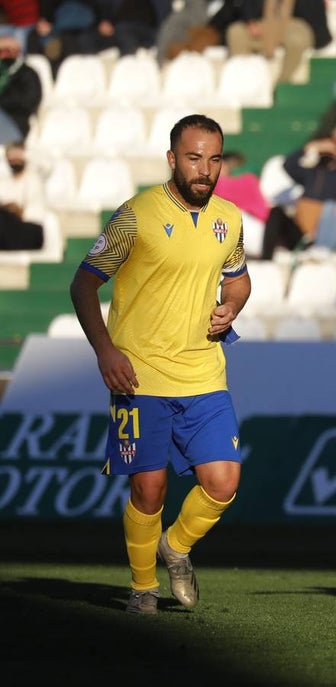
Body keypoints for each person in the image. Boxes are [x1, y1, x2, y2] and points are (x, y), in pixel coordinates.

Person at [68, 114, 250, 615]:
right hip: (139, 373)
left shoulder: (229, 218)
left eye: (213, 159)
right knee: (149, 489)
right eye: (194, 158)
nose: (205, 170)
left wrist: (232, 306)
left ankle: (177, 548)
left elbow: (237, 279)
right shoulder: (135, 215)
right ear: (173, 159)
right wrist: (106, 350)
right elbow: (84, 284)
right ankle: (143, 587)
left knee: (224, 482)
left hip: (204, 373)